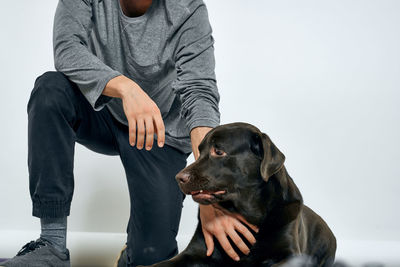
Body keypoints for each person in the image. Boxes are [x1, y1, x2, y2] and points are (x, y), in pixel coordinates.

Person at [1, 0, 257, 266]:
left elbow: (199, 93)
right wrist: (127, 89)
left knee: (152, 257)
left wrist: (208, 189)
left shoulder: (188, 8)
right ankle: (51, 246)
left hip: (161, 133)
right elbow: (67, 49)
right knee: (49, 90)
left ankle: (133, 252)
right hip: (102, 112)